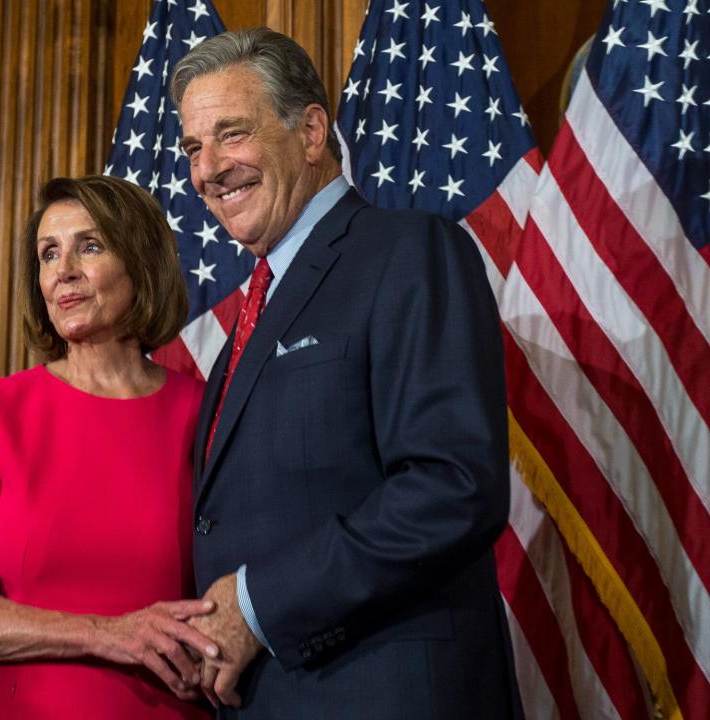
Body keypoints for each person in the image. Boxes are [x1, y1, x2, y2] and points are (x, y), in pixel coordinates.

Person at [171, 28, 523, 719]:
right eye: (192, 147)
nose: (208, 168)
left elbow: (452, 486)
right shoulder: (249, 315)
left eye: (231, 135)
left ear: (309, 132)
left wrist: (255, 604)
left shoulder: (409, 252)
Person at [0, 175, 217, 719]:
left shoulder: (207, 413)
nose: (64, 271)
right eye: (48, 253)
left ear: (142, 263)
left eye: (91, 246)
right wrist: (106, 634)